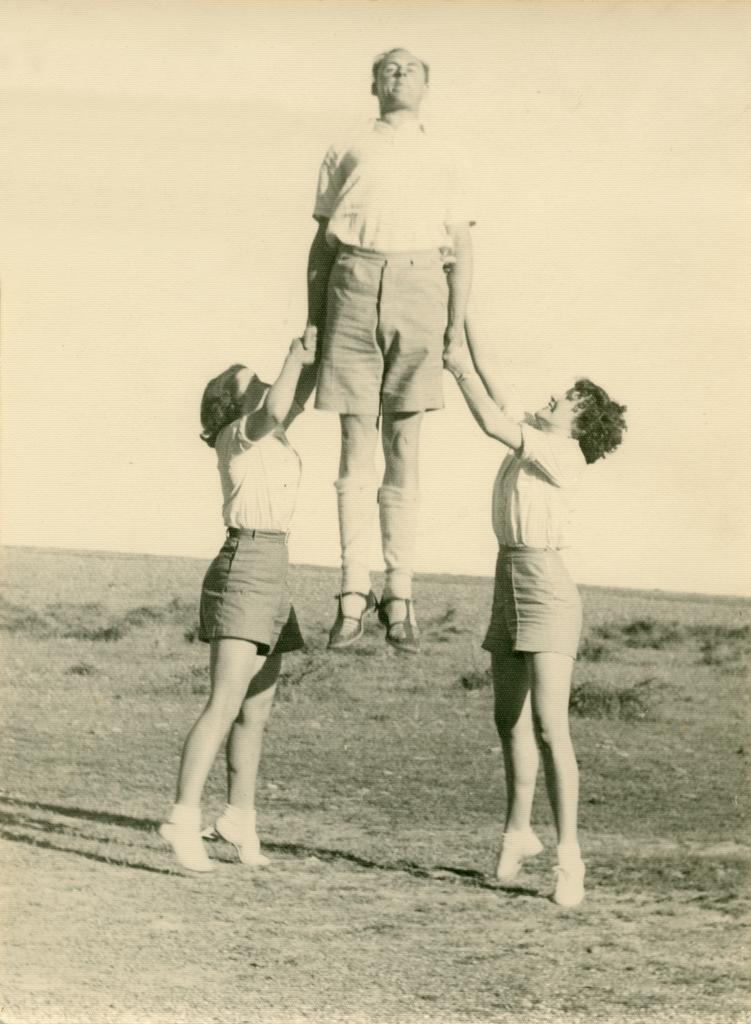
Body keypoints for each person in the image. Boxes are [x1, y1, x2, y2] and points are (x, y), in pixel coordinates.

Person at [444, 322, 627, 907]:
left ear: (580, 425)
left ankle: (570, 856)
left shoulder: (562, 452)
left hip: (546, 586)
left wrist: (454, 367)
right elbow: (497, 391)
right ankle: (519, 832)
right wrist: (463, 321)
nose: (555, 397)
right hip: (508, 580)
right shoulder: (536, 433)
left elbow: (491, 418)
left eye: (569, 400)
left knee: (551, 726)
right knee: (508, 719)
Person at [306, 47, 474, 654]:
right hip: (352, 281)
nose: (399, 75)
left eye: (411, 69)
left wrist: (455, 328)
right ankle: (354, 592)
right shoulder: (346, 146)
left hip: (421, 284)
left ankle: (400, 593)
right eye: (389, 68)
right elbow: (321, 244)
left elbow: (462, 249)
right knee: (354, 440)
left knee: (404, 442)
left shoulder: (446, 153)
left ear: (428, 84)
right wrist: (312, 321)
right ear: (372, 82)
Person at [159, 329, 317, 872]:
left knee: (255, 711)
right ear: (234, 404)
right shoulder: (240, 434)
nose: (268, 387)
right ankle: (181, 820)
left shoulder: (271, 433)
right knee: (225, 703)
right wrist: (294, 353)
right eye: (253, 385)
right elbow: (280, 402)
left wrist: (321, 334)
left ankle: (238, 818)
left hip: (274, 569)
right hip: (245, 567)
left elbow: (300, 390)